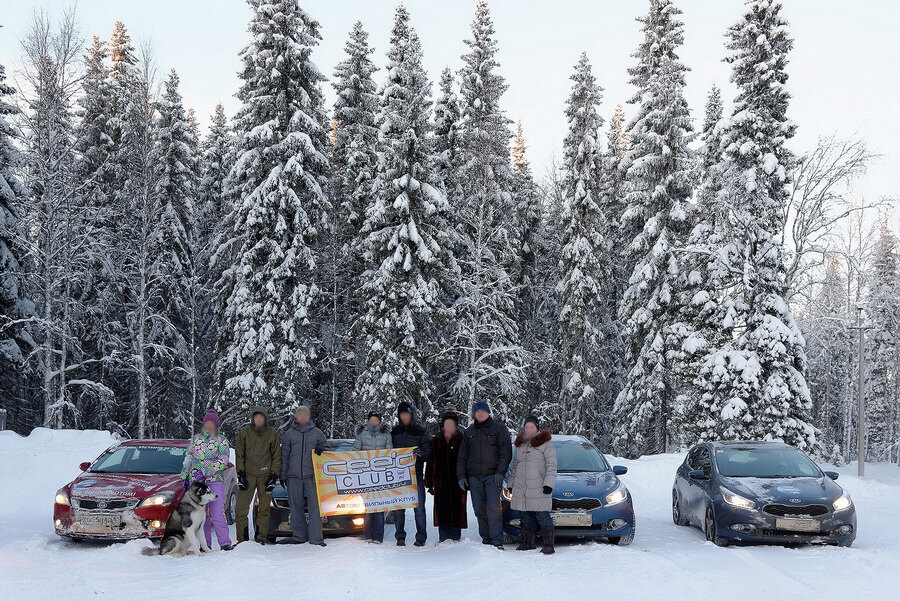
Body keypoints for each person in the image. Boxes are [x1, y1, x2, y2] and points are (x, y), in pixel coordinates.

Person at [457, 401, 512, 549]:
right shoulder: (469, 432)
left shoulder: (499, 429)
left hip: (493, 477)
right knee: (479, 509)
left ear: (488, 412)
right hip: (474, 478)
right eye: (477, 411)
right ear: (474, 414)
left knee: (494, 509)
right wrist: (461, 476)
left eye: (483, 411)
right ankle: (486, 538)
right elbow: (462, 456)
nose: (480, 414)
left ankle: (497, 540)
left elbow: (505, 453)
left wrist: (500, 472)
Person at [181, 409, 233, 551]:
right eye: (206, 423)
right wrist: (184, 475)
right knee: (200, 514)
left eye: (211, 423)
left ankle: (225, 543)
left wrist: (205, 471)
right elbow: (188, 457)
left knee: (217, 512)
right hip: (196, 482)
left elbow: (223, 461)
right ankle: (205, 544)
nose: (209, 425)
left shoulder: (221, 440)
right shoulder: (196, 439)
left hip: (214, 480)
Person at [508, 415, 557, 554]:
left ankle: (549, 544)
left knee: (542, 516)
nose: (529, 429)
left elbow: (552, 466)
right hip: (523, 489)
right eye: (527, 427)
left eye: (532, 427)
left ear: (537, 429)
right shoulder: (520, 445)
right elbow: (515, 467)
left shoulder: (546, 445)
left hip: (539, 488)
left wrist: (548, 484)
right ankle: (528, 542)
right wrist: (511, 484)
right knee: (527, 515)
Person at [279, 405, 327, 546]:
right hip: (293, 476)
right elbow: (284, 456)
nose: (302, 417)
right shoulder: (289, 434)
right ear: (296, 416)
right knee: (295, 507)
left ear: (308, 416)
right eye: (300, 415)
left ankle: (316, 538)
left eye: (305, 415)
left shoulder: (317, 433)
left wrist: (321, 448)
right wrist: (283, 475)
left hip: (312, 476)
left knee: (315, 508)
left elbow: (327, 449)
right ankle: (299, 536)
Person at [234, 406, 281, 544]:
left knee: (264, 510)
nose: (259, 420)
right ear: (253, 419)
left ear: (265, 419)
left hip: (266, 477)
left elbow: (276, 456)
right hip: (247, 476)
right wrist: (240, 473)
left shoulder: (272, 433)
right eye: (256, 417)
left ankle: (261, 538)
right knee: (240, 509)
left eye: (261, 417)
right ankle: (242, 540)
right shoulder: (244, 433)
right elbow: (239, 454)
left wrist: (273, 476)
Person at [390, 401, 430, 546]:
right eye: (402, 414)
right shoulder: (394, 432)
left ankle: (421, 537)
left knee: (419, 509)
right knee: (398, 509)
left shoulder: (420, 432)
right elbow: (386, 451)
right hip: (397, 476)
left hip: (415, 475)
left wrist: (420, 454)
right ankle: (400, 536)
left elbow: (428, 454)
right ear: (399, 416)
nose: (404, 416)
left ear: (411, 415)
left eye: (407, 413)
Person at [424, 411, 467, 542]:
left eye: (451, 423)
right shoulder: (436, 440)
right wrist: (429, 482)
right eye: (446, 423)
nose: (449, 425)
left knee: (457, 510)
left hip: (457, 482)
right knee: (442, 511)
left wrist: (467, 479)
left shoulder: (462, 440)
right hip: (440, 482)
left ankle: (455, 537)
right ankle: (443, 538)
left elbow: (467, 461)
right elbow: (431, 463)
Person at [354, 410, 392, 544]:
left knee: (379, 506)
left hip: (380, 475)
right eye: (372, 419)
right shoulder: (361, 434)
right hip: (365, 475)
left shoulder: (386, 434)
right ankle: (368, 535)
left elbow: (389, 453)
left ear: (380, 421)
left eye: (376, 419)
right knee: (368, 507)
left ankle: (378, 536)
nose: (374, 422)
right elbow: (356, 452)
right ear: (368, 421)